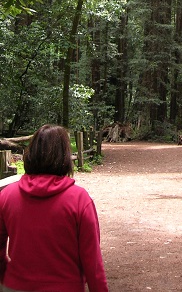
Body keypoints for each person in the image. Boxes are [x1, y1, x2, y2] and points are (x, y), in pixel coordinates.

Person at [0, 124, 108, 292]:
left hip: (15, 286)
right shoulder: (79, 200)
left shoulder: (7, 196)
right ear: (64, 156)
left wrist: (8, 275)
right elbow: (92, 261)